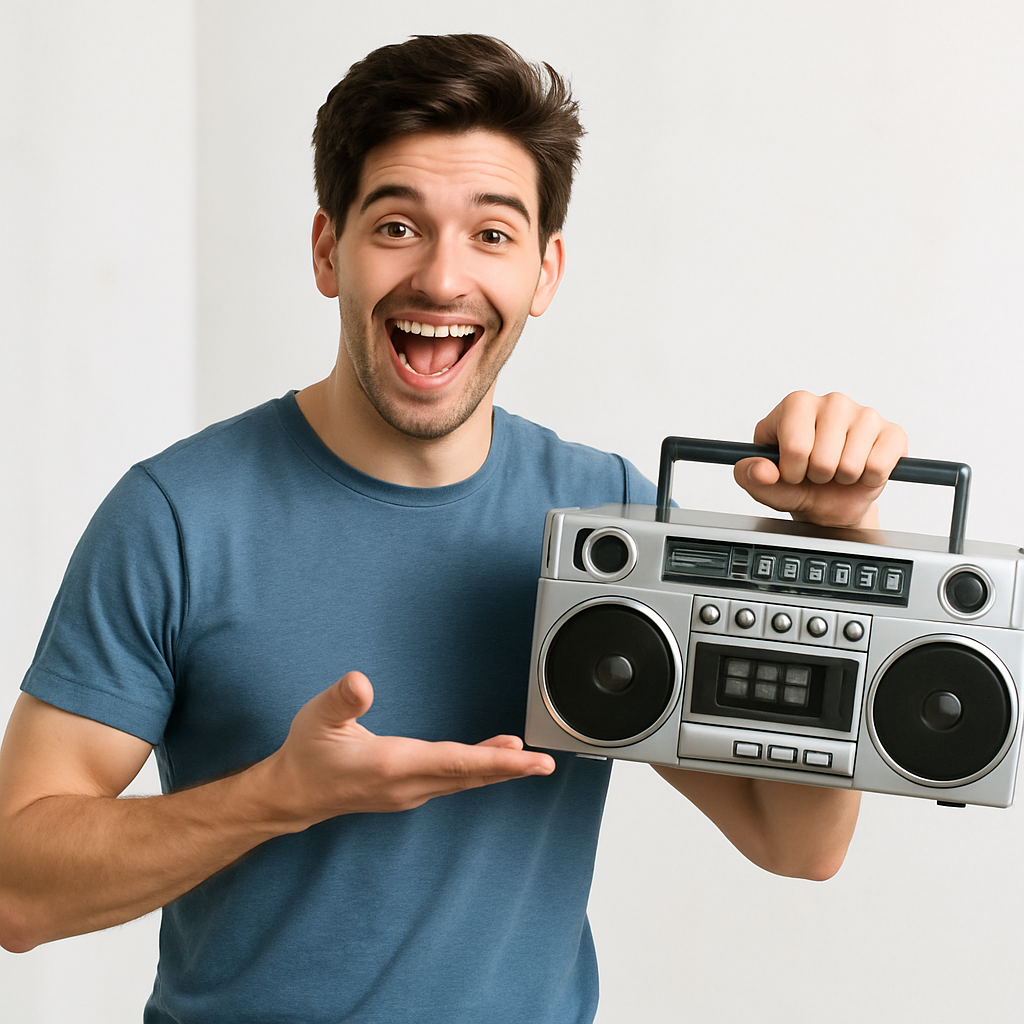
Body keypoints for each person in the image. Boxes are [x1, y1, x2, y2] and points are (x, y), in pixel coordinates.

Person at [0, 33, 907, 1023]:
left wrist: (840, 550)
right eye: (396, 226)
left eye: (491, 234)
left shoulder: (607, 526)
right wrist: (278, 794)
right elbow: (18, 887)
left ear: (544, 272)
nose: (441, 279)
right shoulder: (176, 516)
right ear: (325, 251)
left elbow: (796, 840)